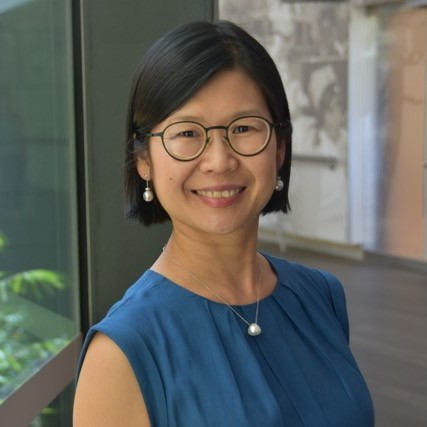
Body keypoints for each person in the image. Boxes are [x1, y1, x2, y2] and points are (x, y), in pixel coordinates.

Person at [73, 20, 374, 426]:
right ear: (144, 160)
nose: (219, 161)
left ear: (280, 148)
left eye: (244, 128)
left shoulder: (322, 295)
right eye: (187, 133)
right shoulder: (121, 352)